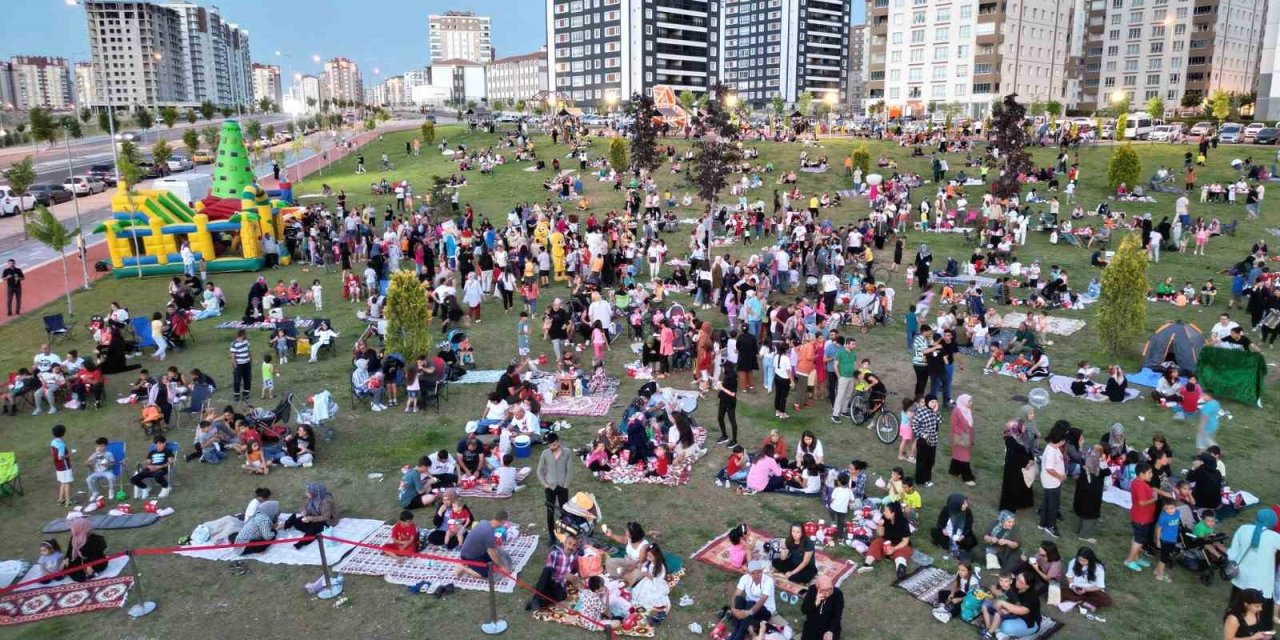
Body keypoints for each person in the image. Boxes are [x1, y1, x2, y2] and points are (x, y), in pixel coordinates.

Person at [1226, 510, 1280, 632]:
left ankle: (1234, 625)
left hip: (1241, 577)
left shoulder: (1243, 529)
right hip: (1261, 580)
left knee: (1237, 604)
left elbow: (1232, 551)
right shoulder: (1274, 537)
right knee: (1263, 610)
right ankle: (1263, 632)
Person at [857, 501, 913, 579]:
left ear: (893, 513)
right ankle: (866, 565)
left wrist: (894, 548)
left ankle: (900, 569)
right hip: (886, 541)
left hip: (899, 545)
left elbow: (905, 541)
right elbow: (881, 535)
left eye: (886, 511)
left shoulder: (903, 522)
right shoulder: (884, 518)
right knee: (876, 542)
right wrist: (879, 526)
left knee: (902, 552)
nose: (884, 512)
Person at [980, 571, 1041, 639]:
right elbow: (993, 587)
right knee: (987, 605)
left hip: (1027, 621)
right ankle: (992, 629)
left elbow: (1022, 610)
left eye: (1021, 582)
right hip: (1009, 612)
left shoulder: (1031, 596)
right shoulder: (1012, 582)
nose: (1017, 581)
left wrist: (1003, 603)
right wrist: (1002, 597)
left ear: (1027, 586)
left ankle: (998, 632)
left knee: (1006, 627)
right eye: (1017, 578)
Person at [998, 406, 1037, 512]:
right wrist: (1025, 458)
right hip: (1014, 461)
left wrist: (1030, 458)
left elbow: (1029, 443)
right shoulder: (1012, 427)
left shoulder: (1029, 425)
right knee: (1013, 482)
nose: (1032, 415)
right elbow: (1013, 447)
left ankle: (1022, 502)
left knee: (1024, 481)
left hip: (1025, 458)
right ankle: (1009, 505)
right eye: (1030, 413)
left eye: (1032, 413)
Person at [537, 432, 573, 544]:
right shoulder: (545, 453)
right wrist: (545, 484)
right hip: (550, 487)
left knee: (564, 511)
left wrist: (566, 485)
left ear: (558, 442)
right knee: (550, 512)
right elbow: (539, 470)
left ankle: (564, 533)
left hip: (562, 486)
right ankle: (552, 536)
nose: (551, 447)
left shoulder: (567, 452)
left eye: (553, 445)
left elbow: (569, 470)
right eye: (549, 445)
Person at [728, 560, 777, 640]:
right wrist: (734, 610)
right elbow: (736, 594)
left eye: (759, 572)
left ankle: (740, 633)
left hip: (764, 610)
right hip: (749, 608)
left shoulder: (768, 581)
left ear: (762, 571)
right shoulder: (745, 578)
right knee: (739, 599)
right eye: (753, 573)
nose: (756, 575)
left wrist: (748, 613)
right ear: (749, 573)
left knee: (750, 603)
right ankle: (735, 631)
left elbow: (762, 601)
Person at [456, 510, 511, 580]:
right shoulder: (489, 533)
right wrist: (502, 567)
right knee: (485, 574)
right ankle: (463, 568)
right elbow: (492, 554)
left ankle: (466, 564)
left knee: (493, 562)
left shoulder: (484, 522)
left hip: (477, 551)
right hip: (470, 556)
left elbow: (490, 546)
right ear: (503, 521)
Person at [1123, 463, 1158, 572]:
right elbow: (1142, 502)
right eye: (1149, 473)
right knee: (1139, 540)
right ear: (1141, 474)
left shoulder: (1137, 482)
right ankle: (1129, 560)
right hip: (1141, 518)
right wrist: (1154, 499)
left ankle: (1135, 558)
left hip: (1139, 516)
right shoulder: (1141, 486)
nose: (1151, 475)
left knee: (1137, 537)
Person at [283, 482, 337, 549]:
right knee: (297, 522)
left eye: (308, 492)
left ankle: (300, 543)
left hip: (326, 521)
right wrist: (304, 512)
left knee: (314, 527)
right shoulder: (312, 498)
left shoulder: (326, 501)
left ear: (315, 492)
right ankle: (312, 533)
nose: (306, 493)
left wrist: (310, 518)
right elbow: (305, 507)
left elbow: (325, 517)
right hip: (314, 518)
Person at [1073, 444, 1108, 543]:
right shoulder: (1100, 467)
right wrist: (1103, 461)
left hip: (1082, 489)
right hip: (1093, 492)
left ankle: (1075, 528)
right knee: (1090, 513)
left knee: (1079, 508)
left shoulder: (1085, 462)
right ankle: (1085, 535)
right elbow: (1107, 472)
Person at [1061, 546, 1111, 611]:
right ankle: (1084, 603)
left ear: (1090, 559)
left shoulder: (1098, 568)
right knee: (1059, 593)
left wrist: (1085, 589)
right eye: (1079, 560)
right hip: (1076, 588)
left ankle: (1078, 600)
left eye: (1084, 561)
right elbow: (1069, 576)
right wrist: (1072, 586)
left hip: (1091, 590)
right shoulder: (1073, 562)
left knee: (1107, 601)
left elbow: (1099, 586)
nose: (1081, 562)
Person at [1038, 429, 1067, 538]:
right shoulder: (1051, 451)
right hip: (1052, 482)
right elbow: (1049, 468)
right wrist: (1060, 477)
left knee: (1046, 502)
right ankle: (1051, 526)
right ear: (1060, 440)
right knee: (1053, 505)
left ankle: (1043, 523)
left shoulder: (1053, 448)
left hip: (1051, 481)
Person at [930, 493, 977, 559]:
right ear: (956, 505)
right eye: (964, 504)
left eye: (966, 503)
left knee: (971, 541)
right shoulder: (946, 509)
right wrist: (943, 529)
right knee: (934, 532)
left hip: (960, 535)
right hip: (948, 534)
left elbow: (968, 526)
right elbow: (940, 523)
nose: (966, 505)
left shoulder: (967, 512)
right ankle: (952, 547)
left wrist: (963, 535)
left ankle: (957, 549)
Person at [800, 575, 844, 640]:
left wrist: (830, 631)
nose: (827, 593)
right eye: (824, 590)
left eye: (830, 589)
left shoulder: (837, 594)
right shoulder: (812, 590)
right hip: (813, 624)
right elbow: (804, 610)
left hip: (829, 625)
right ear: (817, 588)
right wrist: (815, 603)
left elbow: (837, 615)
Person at [130, 435, 173, 499]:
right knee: (133, 479)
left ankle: (166, 487)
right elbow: (148, 462)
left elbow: (170, 462)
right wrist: (146, 465)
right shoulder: (152, 452)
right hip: (150, 469)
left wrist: (158, 467)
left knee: (157, 476)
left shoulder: (168, 451)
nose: (163, 445)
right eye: (160, 443)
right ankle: (145, 488)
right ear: (156, 444)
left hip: (161, 469)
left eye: (164, 443)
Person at [912, 394, 941, 487]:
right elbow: (914, 426)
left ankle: (927, 479)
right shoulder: (920, 412)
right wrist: (922, 435)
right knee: (921, 461)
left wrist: (936, 412)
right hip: (923, 441)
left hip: (933, 440)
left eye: (935, 402)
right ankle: (920, 480)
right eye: (932, 402)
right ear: (927, 402)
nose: (934, 404)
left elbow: (940, 421)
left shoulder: (935, 411)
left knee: (930, 461)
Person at [949, 393, 975, 485]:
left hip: (966, 436)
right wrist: (962, 433)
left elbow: (970, 425)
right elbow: (953, 425)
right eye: (969, 401)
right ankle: (967, 477)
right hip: (960, 438)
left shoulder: (967, 410)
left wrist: (971, 436)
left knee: (958, 455)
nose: (971, 403)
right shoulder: (956, 411)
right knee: (964, 458)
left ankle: (954, 471)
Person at [716, 362, 740, 446]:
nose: (722, 369)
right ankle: (724, 436)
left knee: (732, 421)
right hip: (723, 400)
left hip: (730, 402)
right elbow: (724, 385)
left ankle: (734, 441)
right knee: (720, 417)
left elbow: (733, 393)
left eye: (723, 367)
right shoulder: (726, 376)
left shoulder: (733, 377)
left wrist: (721, 387)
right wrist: (720, 384)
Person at [50, 424, 73, 506]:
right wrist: (70, 454)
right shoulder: (61, 445)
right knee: (67, 483)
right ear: (63, 433)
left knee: (62, 482)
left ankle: (60, 499)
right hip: (64, 466)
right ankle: (68, 501)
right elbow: (60, 457)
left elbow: (54, 454)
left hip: (58, 466)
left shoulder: (53, 442)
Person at [229, 329, 252, 402]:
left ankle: (246, 393)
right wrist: (235, 365)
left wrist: (250, 360)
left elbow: (248, 350)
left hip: (247, 363)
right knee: (237, 380)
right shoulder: (234, 344)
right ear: (241, 335)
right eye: (245, 334)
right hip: (239, 365)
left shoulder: (246, 341)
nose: (246, 335)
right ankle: (236, 395)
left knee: (247, 379)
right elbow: (233, 355)